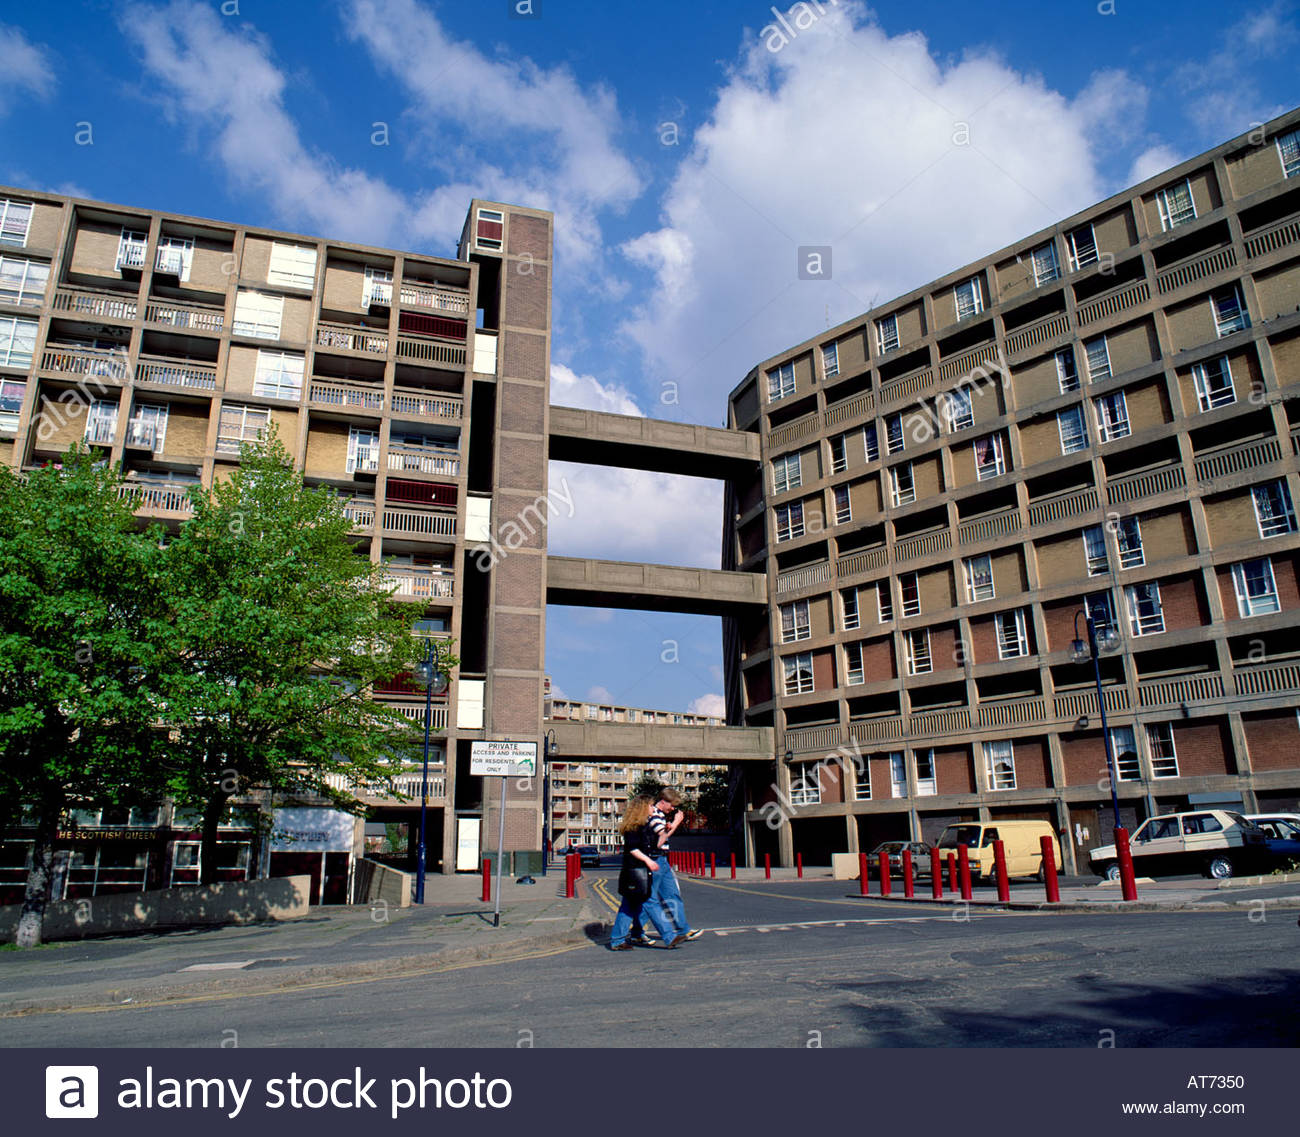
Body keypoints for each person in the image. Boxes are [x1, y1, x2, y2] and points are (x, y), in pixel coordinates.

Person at [608, 796, 677, 951]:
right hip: (634, 872)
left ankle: (617, 941)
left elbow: (657, 845)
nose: (653, 809)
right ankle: (670, 937)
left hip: (641, 872)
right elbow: (632, 849)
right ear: (643, 808)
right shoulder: (633, 827)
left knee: (628, 907)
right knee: (649, 903)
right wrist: (649, 861)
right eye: (651, 806)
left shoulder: (646, 826)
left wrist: (667, 830)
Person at [646, 787, 703, 944]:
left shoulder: (661, 816)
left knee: (672, 896)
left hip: (663, 861)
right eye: (671, 805)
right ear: (663, 801)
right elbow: (661, 839)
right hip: (656, 860)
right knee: (649, 900)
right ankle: (637, 931)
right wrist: (677, 823)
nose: (673, 808)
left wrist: (670, 825)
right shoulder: (654, 815)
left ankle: (683, 930)